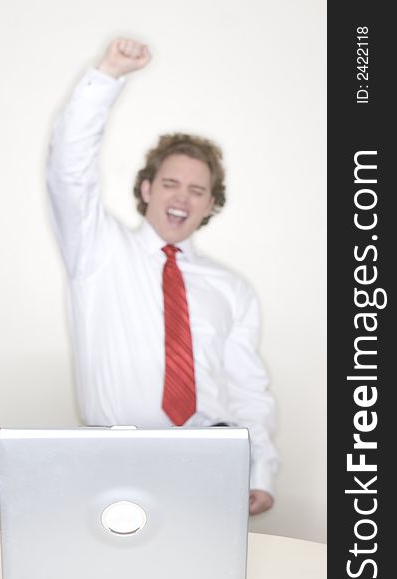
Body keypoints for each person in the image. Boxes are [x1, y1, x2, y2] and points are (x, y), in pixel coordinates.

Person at [47, 38, 279, 515]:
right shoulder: (97, 252)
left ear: (211, 205)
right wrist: (107, 76)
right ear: (147, 188)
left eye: (198, 190)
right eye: (171, 183)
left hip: (212, 460)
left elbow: (247, 387)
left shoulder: (232, 290)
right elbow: (68, 172)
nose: (182, 197)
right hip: (115, 458)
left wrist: (260, 468)